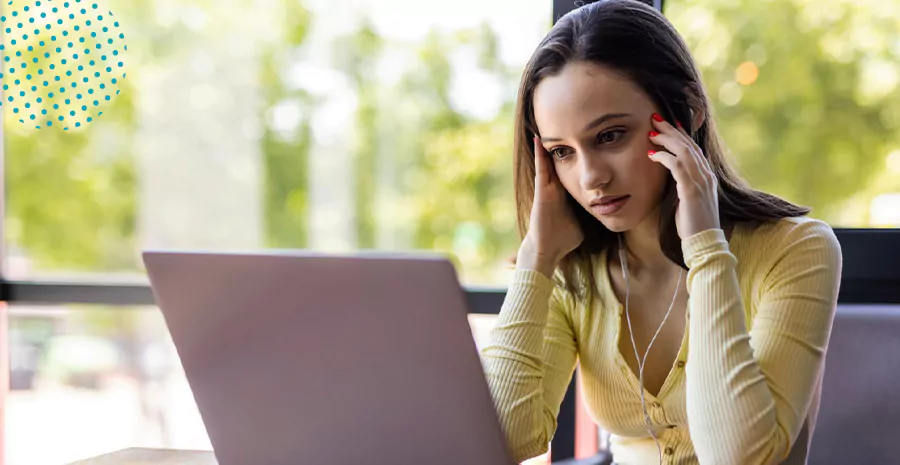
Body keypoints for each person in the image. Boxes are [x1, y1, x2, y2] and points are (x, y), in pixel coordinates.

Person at [479, 1, 842, 464]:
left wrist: (706, 248)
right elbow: (502, 441)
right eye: (562, 152)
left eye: (609, 136)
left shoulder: (795, 249)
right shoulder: (571, 272)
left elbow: (741, 456)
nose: (590, 178)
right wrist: (536, 259)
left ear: (687, 113)